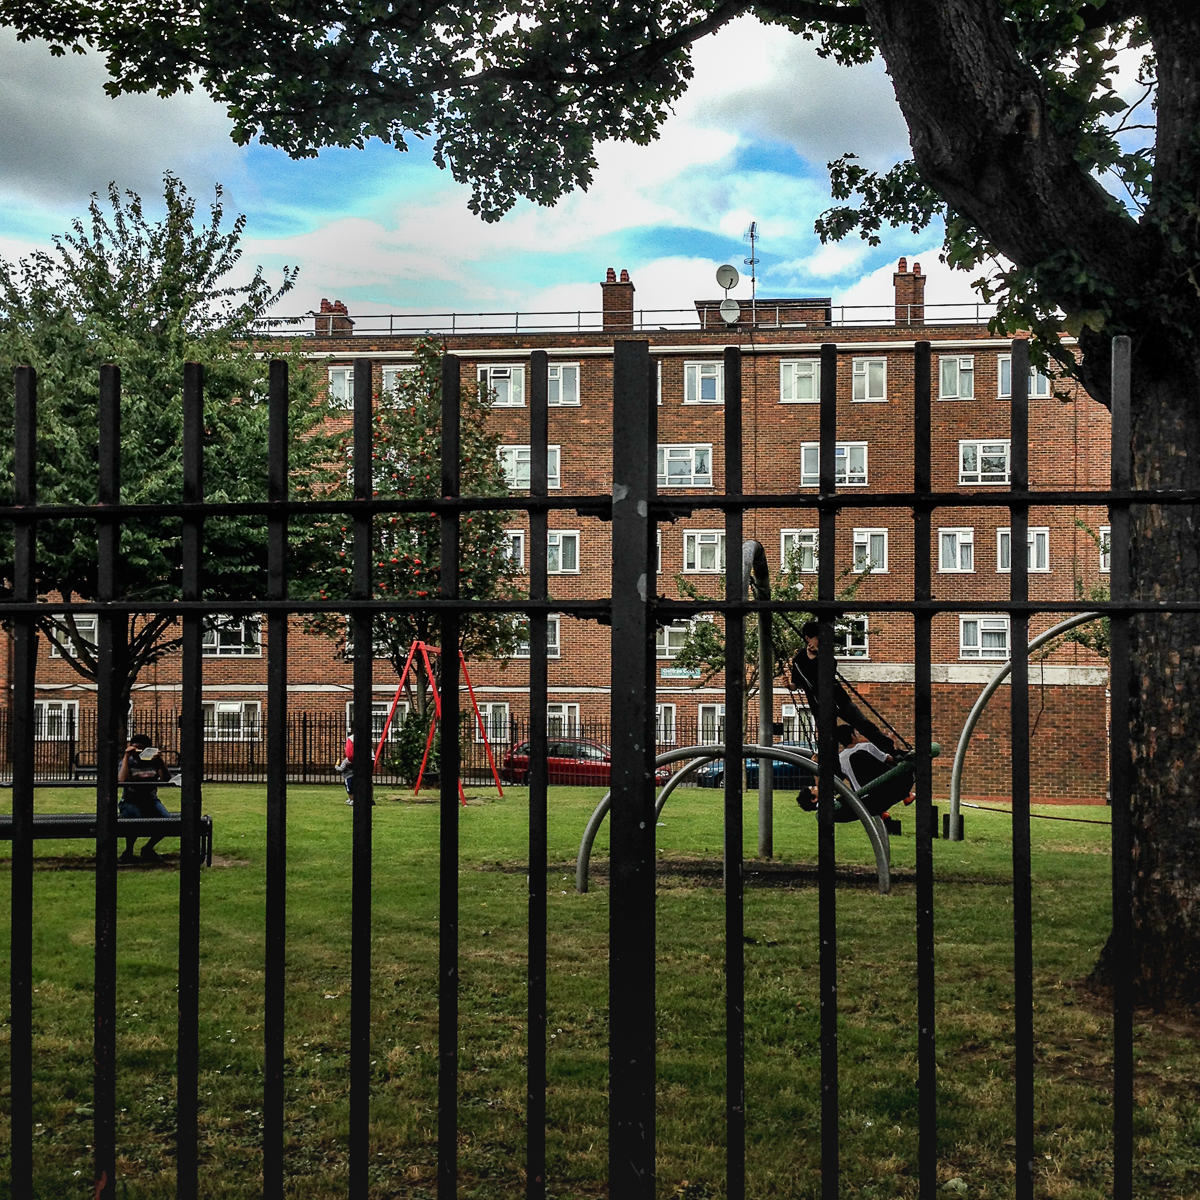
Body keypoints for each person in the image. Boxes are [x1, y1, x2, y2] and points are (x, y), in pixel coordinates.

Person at [789, 621, 897, 754]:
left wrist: (819, 654)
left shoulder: (825, 654)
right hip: (819, 706)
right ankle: (833, 769)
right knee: (828, 739)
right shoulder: (799, 661)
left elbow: (831, 668)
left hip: (839, 699)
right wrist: (789, 685)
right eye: (819, 638)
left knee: (863, 724)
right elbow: (796, 683)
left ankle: (890, 749)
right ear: (808, 639)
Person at [117, 734, 172, 862]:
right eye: (134, 749)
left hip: (150, 800)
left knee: (167, 821)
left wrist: (160, 760)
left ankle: (148, 848)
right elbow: (121, 780)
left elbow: (166, 778)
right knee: (135, 821)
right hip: (130, 801)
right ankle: (128, 851)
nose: (137, 753)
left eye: (140, 750)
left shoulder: (153, 761)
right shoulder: (127, 762)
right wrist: (126, 757)